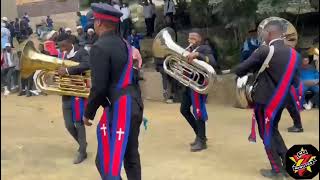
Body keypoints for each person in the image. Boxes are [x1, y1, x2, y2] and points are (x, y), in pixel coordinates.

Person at [82, 3, 143, 179]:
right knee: (131, 157)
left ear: (99, 23)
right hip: (135, 105)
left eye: (94, 21)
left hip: (121, 108)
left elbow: (99, 88)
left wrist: (88, 113)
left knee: (104, 162)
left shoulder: (99, 47)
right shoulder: (126, 45)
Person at [233, 20, 300, 178]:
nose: (261, 35)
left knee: (267, 134)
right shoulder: (294, 54)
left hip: (264, 101)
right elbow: (296, 83)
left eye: (263, 32)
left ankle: (277, 170)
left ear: (269, 33)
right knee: (274, 131)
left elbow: (241, 69)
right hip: (281, 100)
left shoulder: (264, 51)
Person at [180, 29, 216, 152]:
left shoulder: (204, 48)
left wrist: (198, 56)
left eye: (193, 38)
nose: (190, 40)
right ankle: (200, 135)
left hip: (198, 84)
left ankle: (201, 140)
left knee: (198, 111)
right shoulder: (188, 50)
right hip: (189, 84)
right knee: (184, 110)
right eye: (189, 38)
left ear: (199, 39)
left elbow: (212, 61)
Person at [56, 37, 90, 164]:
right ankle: (83, 144)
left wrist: (66, 70)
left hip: (77, 94)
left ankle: (82, 151)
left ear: (69, 43)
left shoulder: (81, 52)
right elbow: (58, 71)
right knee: (69, 125)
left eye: (63, 45)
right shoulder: (62, 56)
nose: (61, 48)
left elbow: (87, 65)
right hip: (66, 93)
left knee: (79, 123)